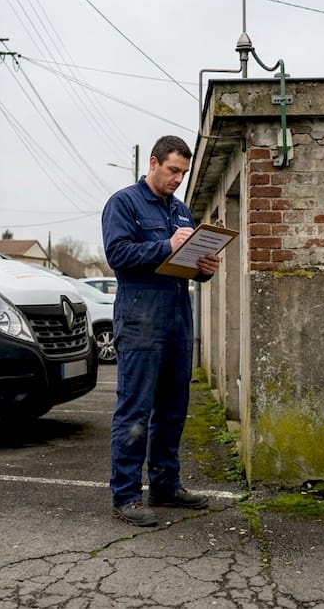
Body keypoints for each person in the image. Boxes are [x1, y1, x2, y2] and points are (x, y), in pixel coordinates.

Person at [101, 135, 221, 527]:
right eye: (173, 171)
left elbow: (186, 265)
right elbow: (118, 254)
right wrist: (167, 245)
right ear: (153, 163)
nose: (178, 179)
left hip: (177, 317)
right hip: (140, 318)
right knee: (135, 408)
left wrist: (203, 269)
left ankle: (166, 486)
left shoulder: (181, 210)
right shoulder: (124, 203)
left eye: (183, 173)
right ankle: (126, 496)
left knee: (173, 407)